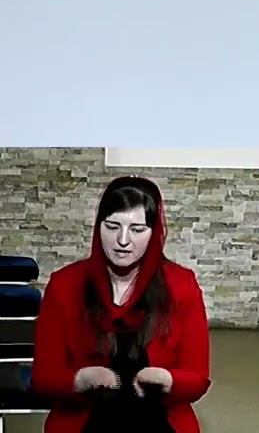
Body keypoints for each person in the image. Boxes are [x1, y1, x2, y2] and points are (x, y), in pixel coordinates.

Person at [32, 176, 211, 433]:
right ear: (98, 227)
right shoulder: (64, 284)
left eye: (137, 229)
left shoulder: (182, 285)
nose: (123, 240)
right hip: (85, 423)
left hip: (159, 420)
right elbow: (43, 379)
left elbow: (198, 380)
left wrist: (168, 379)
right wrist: (80, 380)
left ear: (154, 232)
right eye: (112, 226)